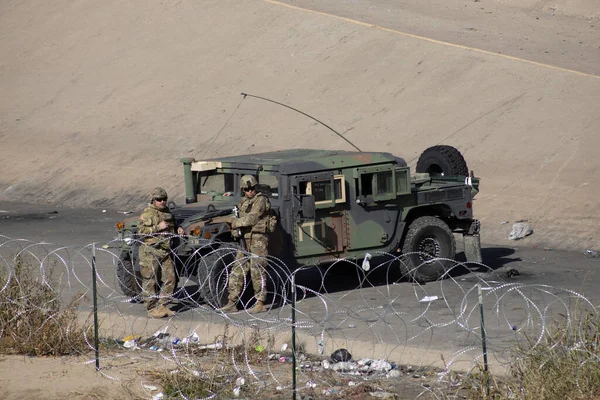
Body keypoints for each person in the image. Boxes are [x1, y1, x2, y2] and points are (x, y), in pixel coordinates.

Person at [219, 175, 272, 314]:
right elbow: (239, 216)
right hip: (245, 240)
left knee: (257, 270)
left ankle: (260, 302)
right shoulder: (243, 202)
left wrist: (235, 222)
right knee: (237, 270)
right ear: (243, 190)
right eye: (247, 189)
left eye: (252, 188)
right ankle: (232, 302)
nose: (250, 191)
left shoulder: (261, 200)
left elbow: (252, 218)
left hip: (258, 240)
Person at [137, 187, 184, 318]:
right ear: (153, 200)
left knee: (170, 278)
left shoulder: (167, 212)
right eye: (159, 200)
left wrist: (178, 228)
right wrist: (158, 227)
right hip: (151, 250)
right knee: (150, 280)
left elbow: (172, 224)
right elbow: (141, 232)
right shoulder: (147, 213)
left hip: (164, 250)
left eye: (164, 199)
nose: (162, 202)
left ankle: (162, 305)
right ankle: (151, 309)